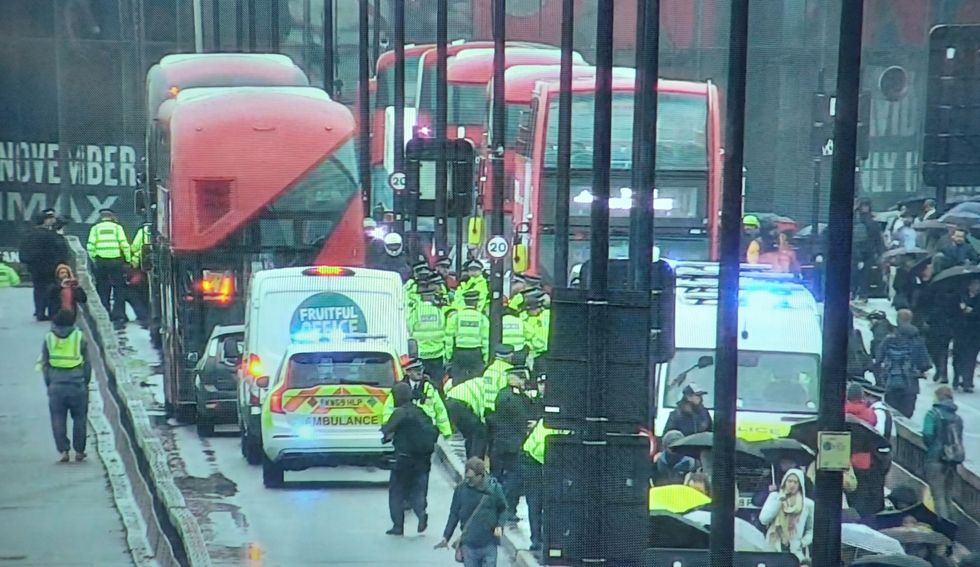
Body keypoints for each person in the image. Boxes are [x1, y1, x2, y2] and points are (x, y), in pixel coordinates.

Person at [382, 382, 438, 535]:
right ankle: (421, 514)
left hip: (404, 460)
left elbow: (387, 430)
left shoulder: (399, 413)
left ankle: (398, 526)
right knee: (418, 491)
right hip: (423, 460)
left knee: (397, 492)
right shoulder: (421, 412)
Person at [39, 309, 92, 463]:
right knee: (80, 418)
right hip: (77, 384)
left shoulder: (49, 338)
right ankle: (80, 451)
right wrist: (85, 381)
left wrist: (49, 383)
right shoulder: (79, 337)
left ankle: (63, 450)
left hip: (56, 385)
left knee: (58, 418)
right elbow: (87, 364)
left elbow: (45, 364)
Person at [436, 458, 508, 567]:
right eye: (467, 477)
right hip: (469, 545)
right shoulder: (461, 489)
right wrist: (446, 536)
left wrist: (500, 525)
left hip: (489, 543)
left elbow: (503, 509)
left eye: (471, 478)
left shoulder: (494, 489)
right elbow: (454, 514)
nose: (468, 481)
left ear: (480, 475)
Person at [488, 367, 535, 522]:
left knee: (500, 477)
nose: (524, 383)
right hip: (512, 444)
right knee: (515, 478)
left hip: (501, 443)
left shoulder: (502, 394)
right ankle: (507, 509)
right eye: (522, 380)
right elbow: (522, 418)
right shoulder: (513, 398)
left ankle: (497, 507)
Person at [522, 417, 570, 552]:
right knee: (536, 502)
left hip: (542, 462)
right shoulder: (555, 423)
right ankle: (537, 539)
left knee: (546, 503)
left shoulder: (555, 421)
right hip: (535, 462)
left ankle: (545, 538)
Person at [876, 308, 932, 419]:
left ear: (897, 320)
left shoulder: (889, 339)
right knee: (906, 415)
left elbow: (878, 358)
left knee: (891, 413)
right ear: (910, 320)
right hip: (910, 384)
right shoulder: (918, 340)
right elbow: (925, 363)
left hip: (891, 381)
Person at [922, 385, 964, 521]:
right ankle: (953, 528)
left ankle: (944, 531)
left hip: (935, 460)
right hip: (952, 462)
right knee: (948, 497)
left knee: (938, 497)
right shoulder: (957, 418)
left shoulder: (932, 414)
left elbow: (927, 435)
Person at [20, 209, 69, 321]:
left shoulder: (30, 234)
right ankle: (52, 312)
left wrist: (27, 262)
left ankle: (39, 311)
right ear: (45, 220)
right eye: (51, 218)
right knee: (53, 289)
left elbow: (23, 249)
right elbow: (60, 249)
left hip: (35, 267)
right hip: (49, 266)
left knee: (38, 289)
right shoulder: (50, 235)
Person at [844, 383, 883, 519]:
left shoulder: (841, 410)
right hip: (863, 460)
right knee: (861, 492)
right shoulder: (869, 413)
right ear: (861, 396)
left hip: (843, 457)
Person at [86, 208, 131, 323]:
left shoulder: (95, 229)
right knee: (119, 289)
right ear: (112, 216)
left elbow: (90, 246)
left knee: (102, 289)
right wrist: (128, 259)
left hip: (101, 262)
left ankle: (105, 313)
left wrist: (94, 259)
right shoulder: (117, 228)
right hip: (116, 262)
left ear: (102, 217)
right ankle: (119, 314)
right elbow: (124, 245)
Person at [759, 468, 815, 561]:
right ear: (784, 482)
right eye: (790, 481)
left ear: (800, 485)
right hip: (773, 548)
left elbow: (811, 530)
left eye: (795, 482)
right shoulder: (774, 497)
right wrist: (779, 501)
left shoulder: (808, 504)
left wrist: (802, 543)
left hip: (795, 552)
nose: (792, 485)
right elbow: (763, 519)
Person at [445, 289, 490, 384]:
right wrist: (485, 357)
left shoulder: (456, 317)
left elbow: (449, 337)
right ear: (476, 302)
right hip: (475, 353)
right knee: (477, 382)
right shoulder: (482, 318)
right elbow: (485, 340)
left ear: (465, 302)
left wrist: (449, 355)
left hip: (459, 352)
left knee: (457, 380)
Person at [408, 285, 448, 390]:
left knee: (422, 383)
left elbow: (410, 329)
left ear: (420, 297)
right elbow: (445, 329)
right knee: (437, 383)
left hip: (421, 353)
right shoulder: (439, 312)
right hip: (437, 353)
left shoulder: (415, 312)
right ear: (432, 297)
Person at [445, 378, 488, 459]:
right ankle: (475, 464)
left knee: (471, 435)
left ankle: (471, 462)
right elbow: (487, 406)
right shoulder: (493, 388)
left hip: (452, 401)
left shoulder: (484, 381)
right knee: (479, 432)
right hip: (459, 404)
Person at [951, 278, 980, 393]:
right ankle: (957, 376)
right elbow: (952, 311)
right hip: (960, 330)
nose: (976, 287)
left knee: (971, 356)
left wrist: (972, 312)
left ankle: (967, 381)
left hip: (975, 332)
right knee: (958, 355)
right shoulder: (960, 296)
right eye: (974, 284)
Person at [481, 344, 515, 419]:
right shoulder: (508, 371)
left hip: (486, 410)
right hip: (499, 413)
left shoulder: (489, 370)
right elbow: (505, 394)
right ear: (509, 357)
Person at [127, 224, 151, 325]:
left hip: (143, 265)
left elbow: (134, 247)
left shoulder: (143, 232)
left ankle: (144, 315)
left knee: (137, 292)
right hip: (155, 266)